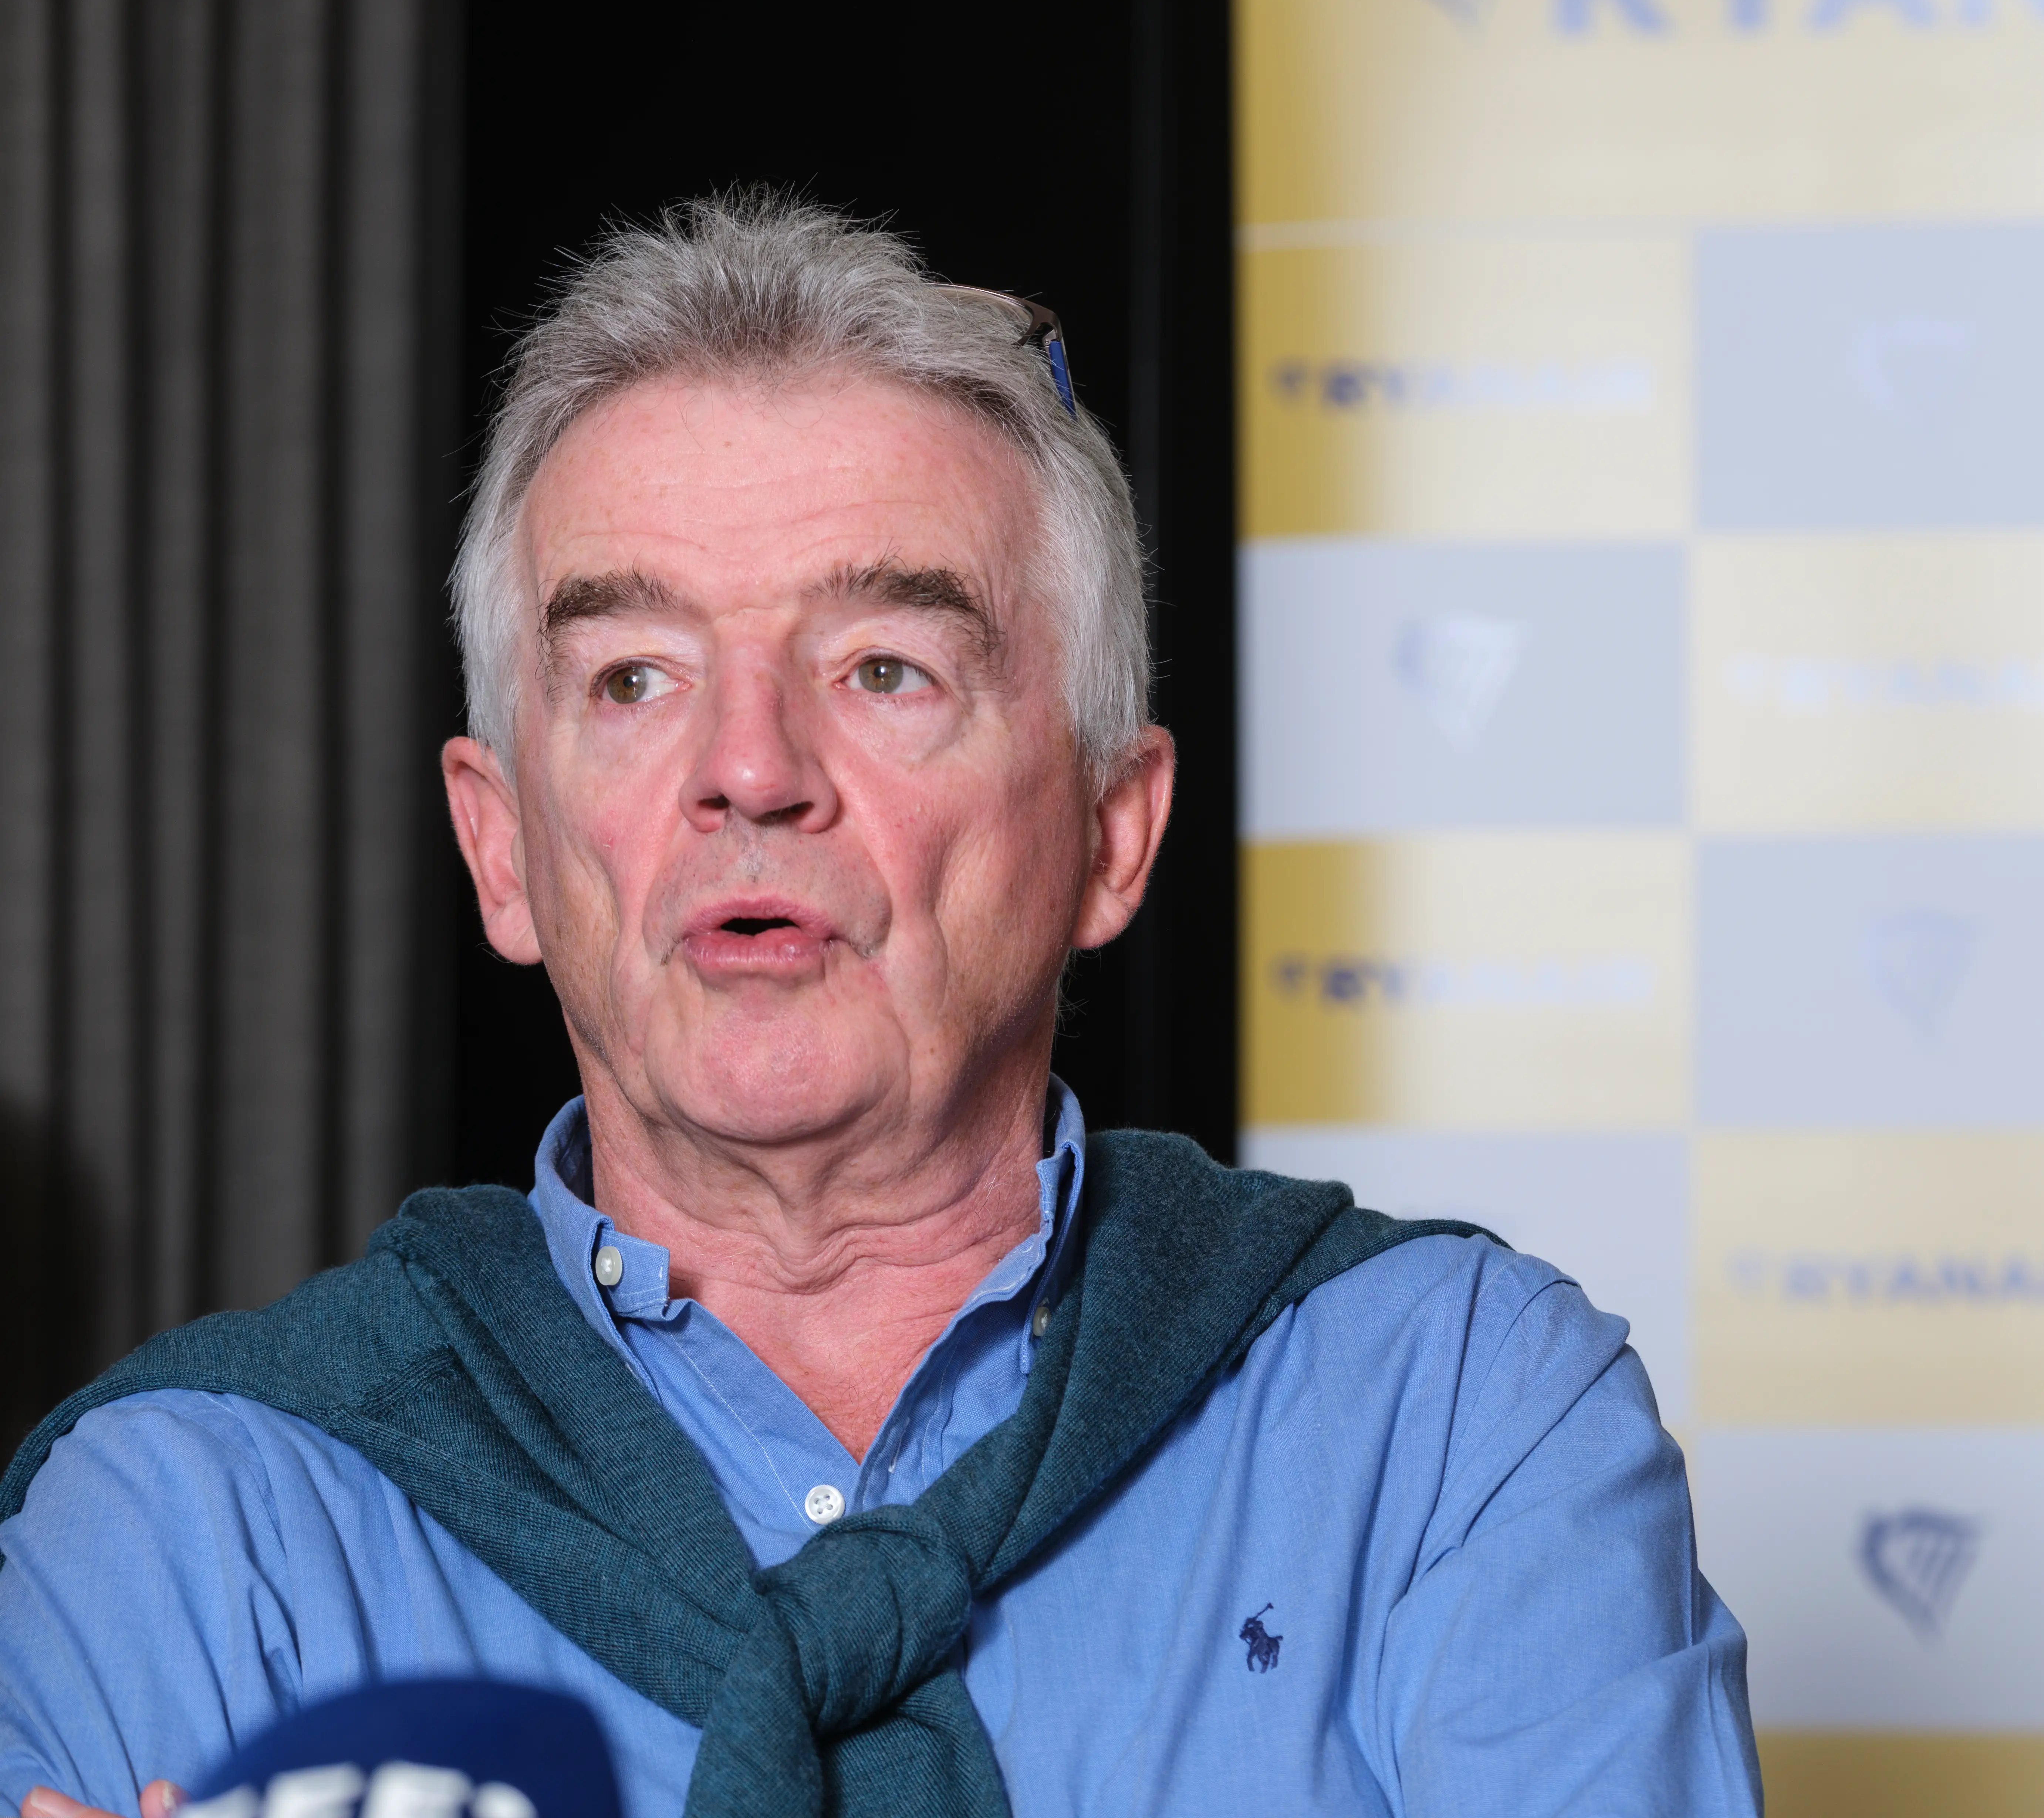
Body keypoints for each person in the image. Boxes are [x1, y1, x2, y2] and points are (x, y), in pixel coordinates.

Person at [0, 195, 1759, 1818]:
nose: (749, 770)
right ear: (502, 845)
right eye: (634, 677)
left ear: (1111, 831)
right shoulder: (185, 1519)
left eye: (885, 670)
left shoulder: (1456, 1417)